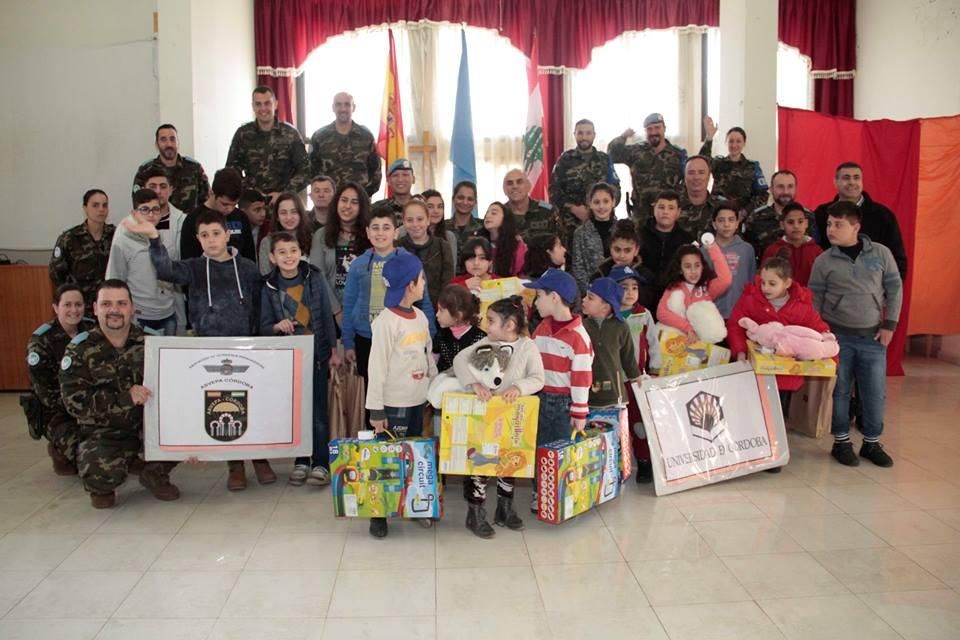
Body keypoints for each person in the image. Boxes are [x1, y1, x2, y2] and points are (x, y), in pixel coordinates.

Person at [128, 209, 275, 490]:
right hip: (210, 350)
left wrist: (263, 340)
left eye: (216, 233)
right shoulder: (194, 268)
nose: (211, 240)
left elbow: (260, 303)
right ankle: (235, 465)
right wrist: (154, 239)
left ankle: (260, 458)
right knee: (227, 406)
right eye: (205, 235)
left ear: (227, 234)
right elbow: (164, 270)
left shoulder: (246, 267)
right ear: (198, 239)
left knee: (254, 406)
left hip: (247, 347)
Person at [59, 280, 180, 508]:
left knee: (190, 430)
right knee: (100, 484)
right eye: (107, 304)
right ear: (95, 309)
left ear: (132, 308)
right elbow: (75, 404)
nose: (114, 310)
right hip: (105, 431)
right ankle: (126, 462)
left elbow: (176, 391)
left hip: (148, 426)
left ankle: (153, 472)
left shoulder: (152, 344)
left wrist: (194, 443)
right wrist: (126, 398)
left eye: (122, 303)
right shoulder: (79, 350)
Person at [808, 201, 902, 468]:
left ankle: (871, 443)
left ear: (856, 227)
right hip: (837, 339)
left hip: (873, 336)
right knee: (839, 392)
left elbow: (894, 288)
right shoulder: (824, 261)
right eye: (828, 224)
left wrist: (890, 324)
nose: (831, 229)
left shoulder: (880, 254)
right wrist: (820, 335)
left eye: (838, 224)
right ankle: (841, 442)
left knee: (874, 392)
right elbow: (815, 299)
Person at [453, 297, 545, 538]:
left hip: (512, 418)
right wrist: (472, 383)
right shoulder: (485, 342)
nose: (486, 325)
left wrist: (519, 387)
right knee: (480, 463)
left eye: (491, 321)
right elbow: (459, 359)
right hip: (484, 416)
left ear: (510, 325)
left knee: (509, 462)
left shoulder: (528, 347)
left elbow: (537, 378)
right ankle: (475, 513)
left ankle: (505, 509)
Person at [365, 252, 438, 538]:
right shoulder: (386, 322)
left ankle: (416, 505)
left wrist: (432, 385)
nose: (424, 283)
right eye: (422, 278)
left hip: (417, 402)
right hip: (392, 404)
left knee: (415, 456)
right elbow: (377, 367)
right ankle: (379, 513)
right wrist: (376, 410)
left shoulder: (420, 317)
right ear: (411, 284)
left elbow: (426, 355)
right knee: (388, 460)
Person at [260, 231, 339, 486]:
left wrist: (333, 350)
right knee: (295, 413)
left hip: (315, 356)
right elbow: (262, 325)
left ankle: (320, 462)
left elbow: (326, 315)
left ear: (300, 252)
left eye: (293, 251)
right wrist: (275, 326)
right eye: (281, 252)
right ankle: (301, 461)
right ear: (272, 257)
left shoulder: (314, 277)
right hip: (286, 362)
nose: (288, 256)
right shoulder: (268, 286)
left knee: (317, 412)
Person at [727, 257, 832, 440]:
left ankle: (774, 445)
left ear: (787, 283)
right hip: (755, 370)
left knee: (777, 413)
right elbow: (735, 325)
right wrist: (740, 350)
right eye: (763, 282)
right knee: (753, 408)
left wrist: (827, 348)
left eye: (772, 284)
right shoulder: (751, 298)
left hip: (786, 375)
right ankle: (753, 441)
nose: (765, 288)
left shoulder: (801, 305)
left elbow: (819, 329)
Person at [342, 207, 436, 391]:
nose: (380, 232)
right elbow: (349, 303)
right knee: (373, 391)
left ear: (395, 232)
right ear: (368, 232)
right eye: (375, 228)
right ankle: (373, 421)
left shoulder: (410, 262)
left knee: (401, 390)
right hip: (366, 337)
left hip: (403, 338)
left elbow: (425, 301)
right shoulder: (358, 265)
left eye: (386, 227)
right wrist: (348, 342)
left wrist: (429, 337)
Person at [523, 268, 593, 513]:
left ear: (554, 297)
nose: (535, 301)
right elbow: (530, 359)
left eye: (539, 295)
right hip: (540, 399)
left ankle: (562, 493)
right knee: (539, 448)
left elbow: (581, 380)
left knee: (562, 450)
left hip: (564, 404)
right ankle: (540, 491)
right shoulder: (541, 328)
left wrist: (579, 414)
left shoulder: (578, 337)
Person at [26, 284, 96, 475]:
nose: (74, 310)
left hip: (90, 403)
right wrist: (84, 411)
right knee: (86, 455)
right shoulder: (41, 342)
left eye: (78, 304)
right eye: (67, 305)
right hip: (57, 411)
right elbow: (46, 394)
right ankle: (59, 451)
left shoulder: (93, 330)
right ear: (56, 307)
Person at [609, 265, 661, 483]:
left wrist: (655, 369)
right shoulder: (606, 314)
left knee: (639, 425)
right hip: (612, 381)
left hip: (637, 380)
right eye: (624, 287)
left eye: (634, 287)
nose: (630, 292)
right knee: (615, 424)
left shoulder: (644, 314)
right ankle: (617, 465)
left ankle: (645, 462)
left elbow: (653, 344)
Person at [106, 188, 180, 336]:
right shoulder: (123, 237)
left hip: (167, 311)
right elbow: (115, 278)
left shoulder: (160, 232)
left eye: (156, 209)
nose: (151, 215)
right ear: (134, 212)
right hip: (140, 315)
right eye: (145, 210)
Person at [813, 162, 908, 278]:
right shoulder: (821, 214)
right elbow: (814, 253)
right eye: (846, 178)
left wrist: (884, 293)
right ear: (835, 182)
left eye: (856, 178)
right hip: (832, 287)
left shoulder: (883, 215)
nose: (852, 182)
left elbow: (897, 258)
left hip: (873, 290)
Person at [226, 85, 310, 202]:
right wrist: (248, 191)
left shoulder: (290, 134)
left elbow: (305, 170)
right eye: (258, 104)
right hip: (251, 205)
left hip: (284, 204)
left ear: (275, 104)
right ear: (253, 106)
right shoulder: (243, 134)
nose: (263, 108)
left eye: (267, 103)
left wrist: (284, 193)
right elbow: (231, 171)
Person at [549, 119, 621, 244]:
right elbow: (553, 191)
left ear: (594, 135)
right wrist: (573, 208)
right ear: (574, 135)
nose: (584, 137)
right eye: (580, 133)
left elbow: (615, 190)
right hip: (571, 224)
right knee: (573, 260)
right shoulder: (565, 159)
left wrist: (601, 207)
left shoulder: (604, 159)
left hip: (602, 221)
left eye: (588, 133)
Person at [607, 113, 688, 223]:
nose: (653, 132)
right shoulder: (636, 151)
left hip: (667, 215)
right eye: (649, 129)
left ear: (664, 129)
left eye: (657, 128)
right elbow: (612, 154)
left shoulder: (678, 154)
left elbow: (687, 180)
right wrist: (623, 136)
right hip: (641, 215)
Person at [50, 189, 115, 315]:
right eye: (95, 205)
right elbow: (56, 274)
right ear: (85, 208)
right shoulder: (69, 238)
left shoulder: (116, 236)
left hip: (109, 306)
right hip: (80, 308)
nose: (101, 209)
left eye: (104, 205)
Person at [310, 182, 370, 314]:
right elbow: (317, 276)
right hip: (330, 311)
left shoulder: (370, 236)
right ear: (336, 203)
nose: (347, 206)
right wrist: (336, 311)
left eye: (354, 202)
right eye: (344, 200)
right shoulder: (321, 235)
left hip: (365, 310)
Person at [581, 277, 640, 410]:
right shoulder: (581, 326)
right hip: (587, 395)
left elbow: (628, 356)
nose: (583, 300)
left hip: (615, 395)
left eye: (590, 298)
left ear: (605, 307)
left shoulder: (621, 326)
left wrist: (635, 376)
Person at [657, 239, 732, 342]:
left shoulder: (707, 288)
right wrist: (688, 328)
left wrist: (712, 247)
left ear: (702, 267)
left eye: (697, 265)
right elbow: (661, 313)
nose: (693, 271)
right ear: (680, 269)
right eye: (687, 266)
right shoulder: (674, 288)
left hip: (700, 345)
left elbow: (725, 279)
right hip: (679, 342)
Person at [309, 92, 381, 197]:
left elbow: (376, 172)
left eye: (347, 104)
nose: (343, 109)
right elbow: (311, 172)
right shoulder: (319, 137)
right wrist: (321, 195)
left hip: (359, 202)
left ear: (354, 107)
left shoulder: (366, 136)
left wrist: (362, 195)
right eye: (338, 104)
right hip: (328, 202)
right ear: (333, 108)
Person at [181, 168, 256, 261]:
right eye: (224, 204)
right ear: (212, 193)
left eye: (234, 204)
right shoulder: (193, 219)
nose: (230, 209)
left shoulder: (241, 217)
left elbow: (249, 256)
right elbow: (188, 261)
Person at [133, 123, 209, 213]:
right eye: (163, 140)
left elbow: (207, 203)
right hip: (156, 224)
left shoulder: (194, 168)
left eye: (172, 139)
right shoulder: (145, 170)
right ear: (157, 144)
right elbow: (138, 204)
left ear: (178, 143)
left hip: (190, 224)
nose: (169, 144)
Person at [700, 118, 769, 215]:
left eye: (738, 141)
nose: (734, 145)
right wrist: (709, 138)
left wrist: (745, 212)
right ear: (726, 143)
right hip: (717, 213)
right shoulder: (718, 163)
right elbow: (701, 162)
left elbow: (763, 195)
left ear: (744, 143)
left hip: (742, 216)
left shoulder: (752, 167)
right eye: (731, 141)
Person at [639, 190, 695, 308]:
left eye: (671, 208)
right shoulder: (639, 234)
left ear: (678, 212)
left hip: (674, 296)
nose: (665, 212)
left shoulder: (687, 239)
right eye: (661, 207)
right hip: (643, 294)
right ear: (654, 209)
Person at [589, 220, 657, 312]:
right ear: (610, 248)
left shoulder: (645, 276)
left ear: (636, 250)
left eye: (627, 250)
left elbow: (648, 304)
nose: (622, 255)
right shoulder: (600, 275)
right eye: (617, 250)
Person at [746, 169, 818, 258]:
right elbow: (748, 254)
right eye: (780, 187)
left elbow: (816, 251)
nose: (786, 192)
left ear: (796, 189)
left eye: (790, 186)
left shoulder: (809, 216)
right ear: (771, 189)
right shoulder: (755, 218)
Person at [704, 202, 755, 319]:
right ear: (714, 224)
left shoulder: (747, 249)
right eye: (721, 220)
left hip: (739, 313)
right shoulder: (704, 250)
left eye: (731, 220)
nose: (726, 224)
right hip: (710, 314)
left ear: (737, 223)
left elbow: (751, 283)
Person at [399, 199, 453, 305]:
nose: (415, 224)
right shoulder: (397, 247)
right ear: (403, 221)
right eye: (410, 220)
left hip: (437, 309)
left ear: (428, 220)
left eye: (420, 219)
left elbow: (448, 283)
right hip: (404, 309)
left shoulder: (442, 246)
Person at [760, 202, 823, 286]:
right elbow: (764, 281)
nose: (796, 226)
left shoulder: (817, 252)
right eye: (790, 222)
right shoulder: (772, 251)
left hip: (810, 298)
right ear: (782, 225)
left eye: (800, 222)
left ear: (806, 223)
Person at [571, 182, 618, 294]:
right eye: (596, 202)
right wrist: (592, 293)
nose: (601, 206)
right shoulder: (581, 233)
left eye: (606, 201)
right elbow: (578, 269)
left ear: (613, 202)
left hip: (619, 292)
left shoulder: (621, 230)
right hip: (592, 294)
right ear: (590, 204)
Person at [258, 193, 314, 275]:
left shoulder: (312, 238)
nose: (289, 217)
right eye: (283, 213)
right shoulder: (267, 242)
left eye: (294, 212)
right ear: (277, 216)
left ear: (301, 214)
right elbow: (265, 276)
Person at [434, 285, 485, 374]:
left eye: (441, 310)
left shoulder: (479, 338)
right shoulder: (441, 334)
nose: (437, 315)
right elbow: (433, 360)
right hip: (443, 381)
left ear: (458, 315)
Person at [501, 169, 563, 242]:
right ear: (504, 190)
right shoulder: (499, 213)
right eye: (510, 183)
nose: (515, 186)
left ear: (528, 186)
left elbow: (560, 240)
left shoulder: (547, 209)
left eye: (519, 182)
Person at [476, 202, 526, 278]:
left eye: (494, 213)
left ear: (505, 219)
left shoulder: (516, 245)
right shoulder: (478, 243)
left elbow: (521, 275)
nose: (488, 216)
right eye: (487, 213)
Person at [678, 155, 719, 236]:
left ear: (709, 177)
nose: (696, 177)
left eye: (701, 172)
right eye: (691, 173)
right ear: (684, 177)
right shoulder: (672, 207)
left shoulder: (721, 207)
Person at [449, 181, 483, 271]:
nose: (465, 202)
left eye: (470, 199)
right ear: (453, 199)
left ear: (475, 203)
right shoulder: (441, 228)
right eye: (460, 197)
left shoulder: (484, 227)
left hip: (476, 281)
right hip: (449, 283)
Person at [421, 188, 460, 260]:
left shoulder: (449, 237)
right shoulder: (405, 232)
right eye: (430, 207)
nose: (436, 211)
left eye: (440, 207)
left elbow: (451, 268)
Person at [239, 189, 270, 262]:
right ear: (243, 212)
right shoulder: (235, 232)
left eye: (264, 209)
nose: (263, 214)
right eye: (257, 210)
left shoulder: (269, 229)